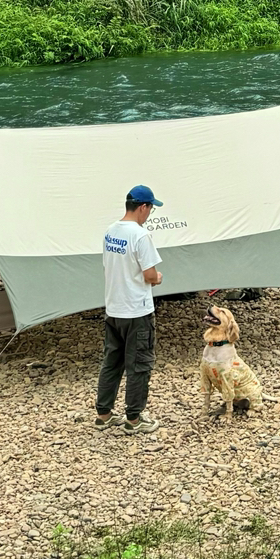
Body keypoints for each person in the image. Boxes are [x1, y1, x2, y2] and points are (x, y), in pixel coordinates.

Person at [96, 184, 163, 433]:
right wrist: (159, 277)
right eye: (150, 209)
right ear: (143, 207)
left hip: (114, 308)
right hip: (137, 311)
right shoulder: (140, 236)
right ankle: (133, 419)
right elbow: (149, 274)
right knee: (139, 364)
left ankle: (103, 414)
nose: (149, 215)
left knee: (111, 361)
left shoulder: (110, 231)